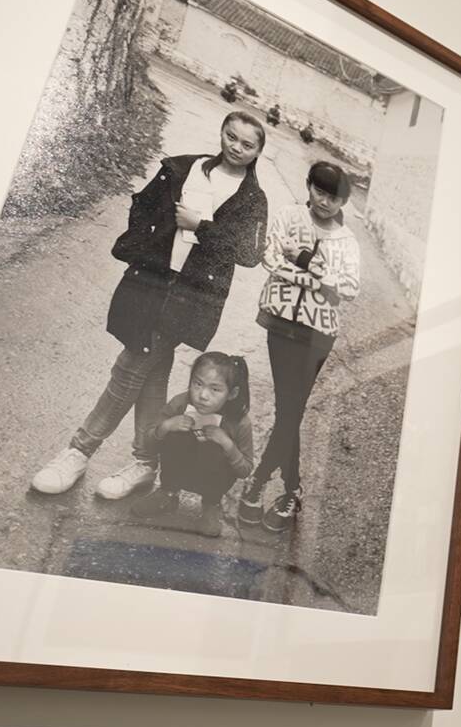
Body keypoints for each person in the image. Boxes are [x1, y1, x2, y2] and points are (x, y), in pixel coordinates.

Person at [30, 112, 270, 498]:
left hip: (191, 296)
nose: (236, 147)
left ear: (258, 152)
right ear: (222, 133)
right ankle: (145, 462)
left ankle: (79, 450)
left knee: (129, 368)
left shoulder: (253, 199)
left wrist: (200, 226)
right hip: (153, 280)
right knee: (152, 373)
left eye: (247, 144)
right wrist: (145, 246)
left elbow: (249, 253)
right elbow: (142, 205)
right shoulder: (186, 168)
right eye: (231, 136)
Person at [238, 161, 362, 532]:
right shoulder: (289, 217)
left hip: (318, 334)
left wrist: (305, 261)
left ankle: (262, 479)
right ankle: (291, 488)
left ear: (343, 202)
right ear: (308, 185)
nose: (324, 201)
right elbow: (271, 258)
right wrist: (319, 281)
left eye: (334, 197)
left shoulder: (347, 242)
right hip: (281, 322)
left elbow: (349, 288)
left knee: (290, 410)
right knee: (288, 410)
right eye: (319, 191)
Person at [130, 351, 255, 537]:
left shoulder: (240, 422)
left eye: (215, 389)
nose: (203, 395)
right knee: (175, 434)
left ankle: (211, 504)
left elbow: (245, 470)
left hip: (214, 478)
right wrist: (166, 426)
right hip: (179, 467)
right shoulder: (180, 404)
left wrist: (228, 444)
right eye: (198, 384)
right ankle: (168, 493)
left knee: (217, 448)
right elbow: (148, 444)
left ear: (232, 393)